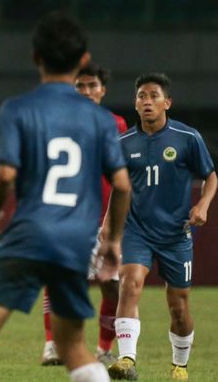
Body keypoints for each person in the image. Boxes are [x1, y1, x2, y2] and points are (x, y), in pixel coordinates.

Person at [0, 11, 131, 382]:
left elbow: (5, 174)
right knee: (75, 348)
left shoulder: (18, 109)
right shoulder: (102, 121)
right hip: (76, 241)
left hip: (30, 234)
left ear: (35, 57)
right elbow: (122, 185)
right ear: (83, 60)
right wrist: (114, 240)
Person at [108, 73, 216, 381]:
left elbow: (211, 176)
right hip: (137, 230)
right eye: (141, 96)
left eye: (153, 95)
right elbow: (120, 189)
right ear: (135, 103)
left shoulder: (187, 137)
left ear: (167, 102)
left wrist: (202, 205)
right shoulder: (123, 143)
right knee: (129, 284)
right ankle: (126, 360)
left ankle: (179, 364)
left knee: (179, 307)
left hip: (175, 235)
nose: (147, 101)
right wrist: (109, 228)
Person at [41, 63, 128, 367]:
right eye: (81, 86)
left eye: (93, 86)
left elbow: (121, 177)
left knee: (112, 284)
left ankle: (104, 348)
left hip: (104, 217)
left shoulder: (117, 125)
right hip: (65, 216)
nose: (88, 91)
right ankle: (51, 345)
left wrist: (113, 221)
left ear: (103, 90)